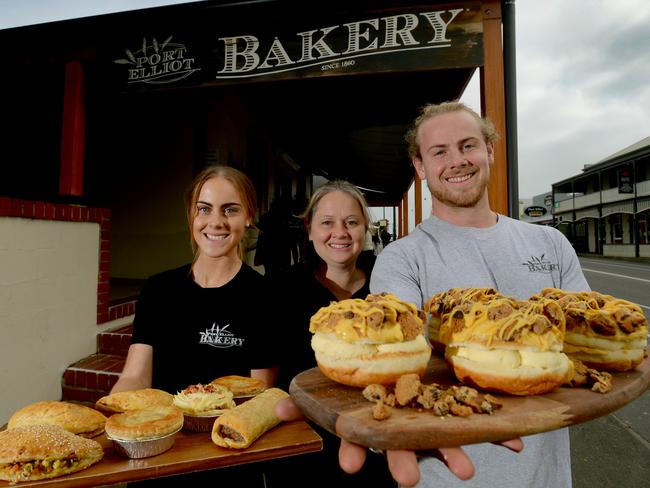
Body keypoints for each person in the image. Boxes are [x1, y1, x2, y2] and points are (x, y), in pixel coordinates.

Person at [367, 101, 590, 487]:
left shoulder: (550, 242)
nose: (457, 160)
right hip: (449, 476)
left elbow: (588, 343)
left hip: (550, 476)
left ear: (489, 150)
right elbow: (393, 363)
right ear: (420, 167)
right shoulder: (401, 260)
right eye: (440, 152)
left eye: (468, 145)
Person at [268, 180, 394, 487]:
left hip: (374, 446)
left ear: (365, 228)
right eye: (327, 223)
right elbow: (267, 382)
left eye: (352, 222)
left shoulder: (388, 283)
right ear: (309, 229)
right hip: (301, 450)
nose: (340, 233)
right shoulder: (280, 289)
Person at [112, 165, 277, 396]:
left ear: (249, 216)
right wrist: (114, 411)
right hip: (163, 426)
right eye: (204, 209)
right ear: (191, 214)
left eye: (230, 210)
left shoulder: (265, 296)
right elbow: (134, 376)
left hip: (226, 429)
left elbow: (260, 394)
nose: (216, 221)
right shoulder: (158, 289)